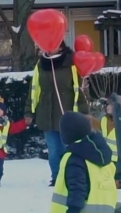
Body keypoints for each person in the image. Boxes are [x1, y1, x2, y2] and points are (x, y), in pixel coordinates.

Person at [25, 41, 87, 186]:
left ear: (60, 46)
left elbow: (80, 90)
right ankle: (57, 178)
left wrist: (83, 112)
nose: (48, 47)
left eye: (52, 44)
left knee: (68, 148)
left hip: (68, 114)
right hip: (47, 114)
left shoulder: (71, 63)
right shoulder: (41, 65)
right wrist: (29, 111)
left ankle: (71, 176)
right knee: (53, 150)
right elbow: (33, 89)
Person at [90, 96, 121, 164]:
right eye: (108, 104)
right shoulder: (105, 120)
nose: (108, 106)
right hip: (105, 159)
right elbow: (94, 123)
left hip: (119, 162)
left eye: (111, 105)